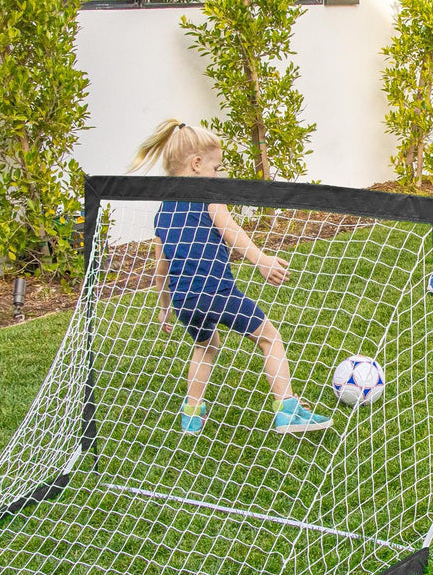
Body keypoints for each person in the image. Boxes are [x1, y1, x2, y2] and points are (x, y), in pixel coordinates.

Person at [130, 119, 331, 434]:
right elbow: (231, 230)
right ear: (196, 165)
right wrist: (261, 260)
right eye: (216, 167)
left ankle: (192, 414)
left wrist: (165, 307)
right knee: (270, 338)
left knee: (206, 346)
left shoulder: (163, 212)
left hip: (185, 302)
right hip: (217, 293)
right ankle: (287, 409)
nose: (218, 175)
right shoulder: (208, 195)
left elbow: (160, 269)